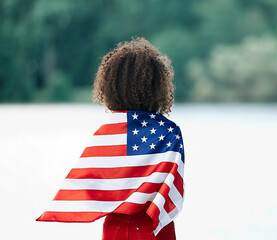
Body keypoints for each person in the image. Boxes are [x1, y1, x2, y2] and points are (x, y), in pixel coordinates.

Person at [37, 38, 184, 240]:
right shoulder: (169, 131)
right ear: (157, 86)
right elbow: (172, 188)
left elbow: (90, 187)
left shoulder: (106, 134)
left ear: (111, 86)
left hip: (116, 229)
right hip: (154, 228)